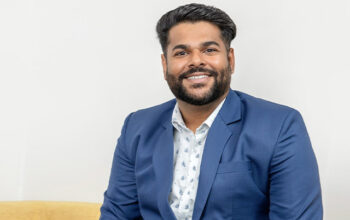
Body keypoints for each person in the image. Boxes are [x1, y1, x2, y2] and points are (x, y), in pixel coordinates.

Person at [100, 3, 323, 220]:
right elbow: (117, 215)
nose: (196, 61)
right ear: (164, 64)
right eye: (181, 53)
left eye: (209, 50)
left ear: (230, 59)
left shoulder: (280, 126)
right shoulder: (137, 127)